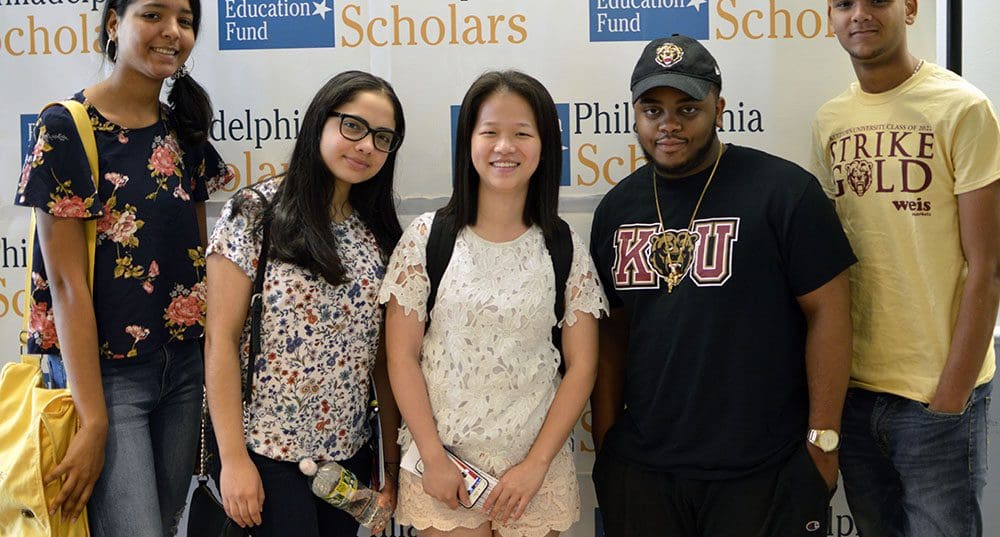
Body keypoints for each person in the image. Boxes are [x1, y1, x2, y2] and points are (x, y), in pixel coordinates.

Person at [588, 35, 856, 537]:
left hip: (764, 470)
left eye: (687, 108)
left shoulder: (784, 193)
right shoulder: (617, 209)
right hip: (645, 474)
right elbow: (610, 336)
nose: (668, 124)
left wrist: (823, 442)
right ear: (635, 114)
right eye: (652, 109)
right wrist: (607, 446)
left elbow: (831, 314)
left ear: (719, 108)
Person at [14, 0, 233, 535]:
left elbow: (197, 262)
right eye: (153, 15)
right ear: (115, 23)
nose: (173, 32)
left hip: (183, 368)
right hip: (106, 378)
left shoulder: (182, 131)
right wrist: (92, 420)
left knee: (160, 525)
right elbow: (65, 285)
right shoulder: (67, 126)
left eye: (185, 21)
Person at [811, 0, 1000, 537]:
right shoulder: (830, 120)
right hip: (857, 393)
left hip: (937, 397)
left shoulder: (962, 108)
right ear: (830, 16)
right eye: (845, 3)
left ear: (910, 7)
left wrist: (951, 391)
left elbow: (987, 265)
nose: (860, 14)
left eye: (877, 0)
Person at [382, 70, 606, 537]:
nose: (505, 147)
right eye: (490, 133)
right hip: (445, 470)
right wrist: (432, 455)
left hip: (534, 474)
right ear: (468, 142)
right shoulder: (427, 239)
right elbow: (401, 357)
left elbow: (582, 366)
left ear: (544, 147)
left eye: (522, 133)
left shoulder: (563, 247)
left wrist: (536, 465)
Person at [205, 70, 405, 536]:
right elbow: (220, 339)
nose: (365, 146)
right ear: (320, 122)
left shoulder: (377, 234)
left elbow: (383, 361)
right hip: (266, 456)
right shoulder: (255, 213)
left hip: (347, 462)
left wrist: (389, 464)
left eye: (382, 137)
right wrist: (233, 459)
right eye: (352, 126)